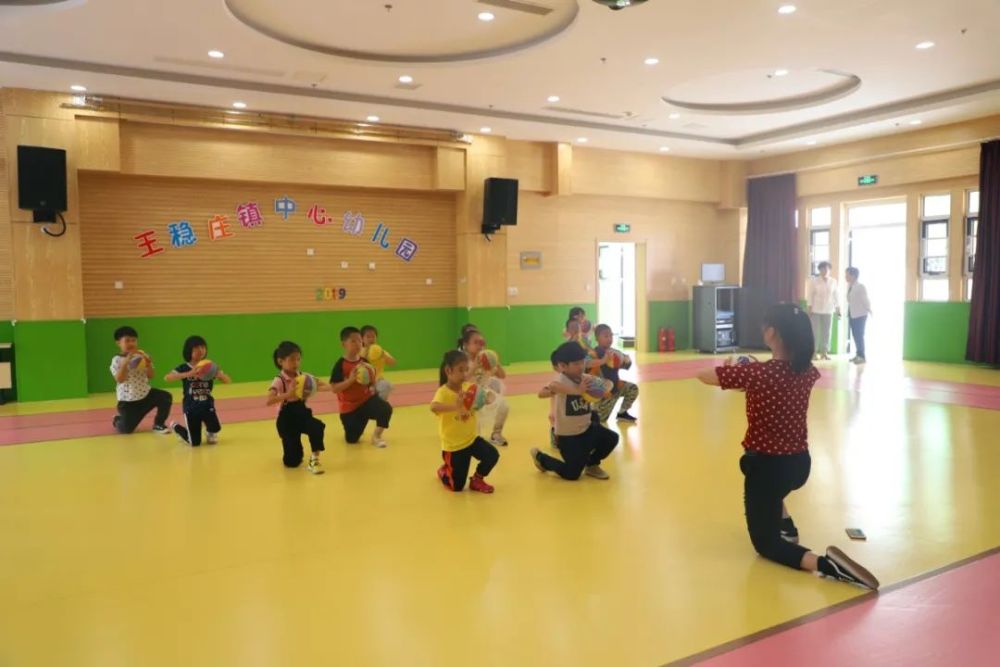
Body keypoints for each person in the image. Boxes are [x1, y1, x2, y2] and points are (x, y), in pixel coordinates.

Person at [696, 304, 879, 590]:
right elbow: (773, 378)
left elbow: (705, 375)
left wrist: (735, 367)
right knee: (768, 486)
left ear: (772, 333)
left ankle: (826, 565)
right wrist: (751, 371)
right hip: (799, 465)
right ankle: (787, 526)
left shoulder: (759, 374)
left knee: (766, 544)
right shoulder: (807, 372)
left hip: (767, 468)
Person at [530, 342, 619, 481]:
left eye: (582, 362)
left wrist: (601, 388)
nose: (581, 366)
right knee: (572, 474)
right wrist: (577, 391)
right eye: (576, 363)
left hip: (587, 429)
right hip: (568, 437)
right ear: (563, 366)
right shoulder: (560, 382)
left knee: (612, 438)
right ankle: (541, 458)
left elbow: (608, 384)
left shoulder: (586, 378)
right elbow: (542, 393)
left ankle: (591, 464)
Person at [430, 350, 500, 493]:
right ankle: (444, 470)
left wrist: (487, 398)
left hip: (471, 439)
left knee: (492, 455)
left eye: (466, 369)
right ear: (448, 370)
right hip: (454, 446)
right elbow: (434, 407)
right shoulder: (443, 392)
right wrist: (456, 406)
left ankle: (477, 480)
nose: (464, 374)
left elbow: (482, 396)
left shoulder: (468, 387)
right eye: (460, 370)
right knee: (456, 487)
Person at [266, 341, 328, 474]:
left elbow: (321, 384)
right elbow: (269, 400)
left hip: (302, 414)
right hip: (286, 419)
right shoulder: (279, 380)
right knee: (292, 461)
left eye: (298, 359)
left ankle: (314, 459)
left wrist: (331, 388)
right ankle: (294, 451)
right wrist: (288, 394)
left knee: (317, 427)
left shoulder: (304, 377)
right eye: (292, 359)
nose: (296, 363)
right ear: (281, 361)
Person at [330, 326, 392, 447]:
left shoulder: (365, 362)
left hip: (365, 400)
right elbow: (334, 388)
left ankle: (376, 436)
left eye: (359, 340)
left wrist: (373, 386)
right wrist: (351, 379)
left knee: (385, 409)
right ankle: (361, 419)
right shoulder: (340, 364)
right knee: (352, 439)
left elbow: (372, 380)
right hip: (349, 408)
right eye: (353, 341)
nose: (357, 344)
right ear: (344, 344)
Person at [165, 335, 231, 446]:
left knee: (216, 427)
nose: (200, 350)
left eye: (203, 347)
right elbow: (168, 377)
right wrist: (189, 374)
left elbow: (227, 380)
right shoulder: (184, 367)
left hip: (207, 404)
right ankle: (176, 427)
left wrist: (219, 375)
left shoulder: (209, 367)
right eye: (196, 348)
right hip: (191, 407)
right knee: (194, 443)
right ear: (189, 350)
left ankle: (210, 432)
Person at [109, 326, 172, 435]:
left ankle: (158, 424)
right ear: (118, 342)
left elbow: (151, 376)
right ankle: (117, 420)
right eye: (127, 340)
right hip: (128, 401)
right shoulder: (117, 360)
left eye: (133, 340)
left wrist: (148, 364)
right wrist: (126, 362)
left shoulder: (142, 356)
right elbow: (120, 379)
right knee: (126, 430)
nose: (131, 343)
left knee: (165, 396)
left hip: (146, 395)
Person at [458, 328, 509, 447]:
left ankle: (496, 434)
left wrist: (495, 361)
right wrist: (475, 366)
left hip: (483, 392)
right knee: (474, 430)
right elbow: (462, 379)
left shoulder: (485, 358)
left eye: (481, 342)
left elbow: (502, 375)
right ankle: (470, 437)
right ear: (466, 345)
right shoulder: (462, 360)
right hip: (467, 394)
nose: (479, 345)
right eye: (475, 342)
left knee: (503, 405)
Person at [592, 324, 638, 423]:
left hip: (616, 387)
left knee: (633, 388)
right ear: (597, 338)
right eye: (606, 336)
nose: (609, 338)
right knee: (601, 420)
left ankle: (622, 413)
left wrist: (627, 359)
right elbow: (593, 375)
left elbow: (626, 365)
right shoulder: (595, 354)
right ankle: (594, 409)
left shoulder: (615, 352)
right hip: (605, 393)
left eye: (611, 335)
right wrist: (602, 391)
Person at [806, 261, 839, 360]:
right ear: (819, 270)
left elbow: (836, 295)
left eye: (827, 269)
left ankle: (824, 352)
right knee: (814, 332)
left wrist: (838, 307)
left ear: (829, 270)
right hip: (816, 309)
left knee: (827, 332)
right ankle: (814, 353)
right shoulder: (814, 281)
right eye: (823, 269)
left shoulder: (833, 281)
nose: (825, 270)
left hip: (828, 310)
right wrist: (809, 307)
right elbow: (810, 295)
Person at [360, 324, 397, 400]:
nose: (371, 339)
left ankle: (379, 403)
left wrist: (383, 354)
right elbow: (359, 363)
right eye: (368, 337)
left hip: (377, 381)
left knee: (387, 385)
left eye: (373, 336)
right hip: (362, 383)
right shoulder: (358, 351)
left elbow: (393, 363)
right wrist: (367, 349)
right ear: (362, 339)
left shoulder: (379, 350)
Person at [844, 267, 872, 364]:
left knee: (859, 335)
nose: (845, 277)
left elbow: (865, 300)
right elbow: (849, 300)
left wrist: (869, 309)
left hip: (860, 315)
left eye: (847, 275)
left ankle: (862, 356)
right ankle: (858, 354)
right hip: (852, 314)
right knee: (855, 335)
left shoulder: (860, 286)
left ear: (853, 276)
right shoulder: (850, 286)